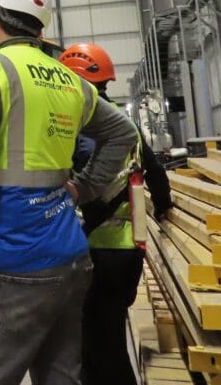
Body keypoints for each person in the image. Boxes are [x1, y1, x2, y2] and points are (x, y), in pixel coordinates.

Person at [0, 0, 139, 385]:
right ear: (39, 27)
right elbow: (123, 133)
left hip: (10, 259)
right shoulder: (68, 79)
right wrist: (82, 187)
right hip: (70, 257)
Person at [60, 43, 173, 385]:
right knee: (103, 338)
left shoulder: (86, 128)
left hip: (98, 250)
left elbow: (78, 185)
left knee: (99, 347)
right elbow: (156, 173)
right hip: (128, 248)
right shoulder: (125, 124)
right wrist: (164, 208)